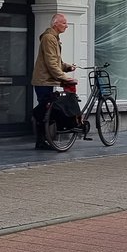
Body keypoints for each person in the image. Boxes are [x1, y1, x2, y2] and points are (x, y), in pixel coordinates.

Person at [31, 13, 75, 150]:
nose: (66, 26)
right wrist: (66, 78)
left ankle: (42, 140)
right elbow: (51, 63)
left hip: (48, 81)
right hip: (43, 81)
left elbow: (56, 62)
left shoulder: (54, 38)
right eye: (64, 23)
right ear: (55, 24)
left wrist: (68, 67)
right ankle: (40, 141)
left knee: (47, 110)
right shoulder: (49, 38)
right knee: (44, 110)